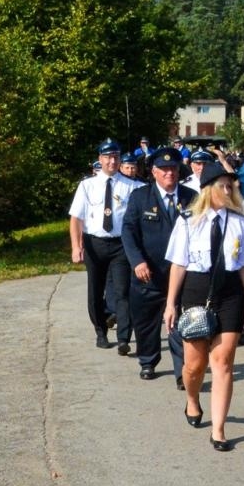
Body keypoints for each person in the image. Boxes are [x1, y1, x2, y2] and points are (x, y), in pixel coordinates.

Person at [164, 162, 244, 450]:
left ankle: (218, 429)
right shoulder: (188, 220)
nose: (228, 190)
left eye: (230, 186)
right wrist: (170, 304)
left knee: (224, 361)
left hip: (230, 293)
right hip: (196, 290)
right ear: (207, 189)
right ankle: (192, 399)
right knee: (194, 366)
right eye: (222, 186)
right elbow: (178, 265)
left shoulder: (240, 222)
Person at [122, 147, 194, 383]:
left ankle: (182, 371)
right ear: (154, 172)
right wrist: (137, 261)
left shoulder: (192, 197)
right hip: (148, 273)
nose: (169, 173)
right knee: (146, 322)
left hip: (182, 274)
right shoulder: (140, 197)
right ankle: (148, 361)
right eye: (163, 169)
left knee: (180, 323)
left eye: (173, 168)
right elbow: (128, 232)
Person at [68, 140, 143, 351]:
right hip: (94, 243)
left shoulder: (132, 186)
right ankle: (100, 331)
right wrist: (76, 246)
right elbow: (76, 218)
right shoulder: (87, 185)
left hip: (120, 244)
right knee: (95, 290)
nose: (112, 161)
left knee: (122, 291)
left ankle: (123, 338)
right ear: (100, 159)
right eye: (108, 157)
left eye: (116, 157)